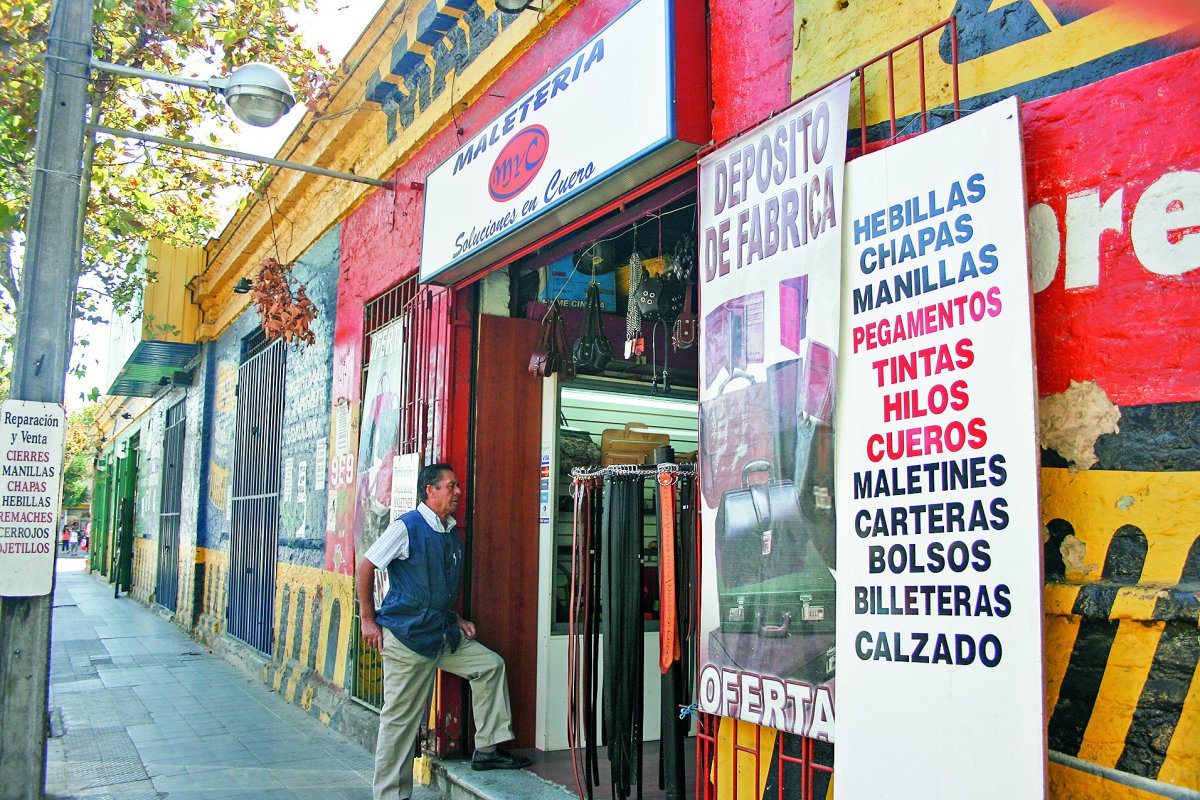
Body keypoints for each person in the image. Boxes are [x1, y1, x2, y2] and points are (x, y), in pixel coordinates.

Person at [356, 463, 530, 800]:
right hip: (407, 639)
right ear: (429, 491)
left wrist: (456, 617)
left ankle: (487, 750)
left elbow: (434, 587)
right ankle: (390, 795)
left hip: (442, 634)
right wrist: (367, 619)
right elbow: (367, 566)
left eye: (457, 486)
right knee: (400, 722)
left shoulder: (450, 531)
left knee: (489, 665)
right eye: (450, 486)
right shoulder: (407, 527)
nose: (457, 492)